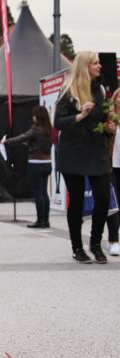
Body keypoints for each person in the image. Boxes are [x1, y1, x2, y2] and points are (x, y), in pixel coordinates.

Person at [53, 52, 112, 264]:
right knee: (76, 201)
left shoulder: (101, 90)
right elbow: (58, 122)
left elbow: (104, 118)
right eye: (95, 63)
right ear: (85, 66)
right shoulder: (68, 90)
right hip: (73, 152)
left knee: (103, 198)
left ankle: (95, 243)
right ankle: (77, 247)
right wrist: (81, 115)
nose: (99, 66)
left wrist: (108, 127)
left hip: (97, 150)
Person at [2, 106, 53, 228]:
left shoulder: (36, 129)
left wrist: (6, 141)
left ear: (37, 116)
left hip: (35, 163)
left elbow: (22, 137)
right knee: (44, 192)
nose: (33, 117)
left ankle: (40, 221)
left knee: (38, 193)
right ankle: (46, 220)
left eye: (34, 115)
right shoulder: (49, 130)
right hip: (47, 163)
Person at [104, 87, 120, 255]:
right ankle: (114, 239)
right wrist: (110, 131)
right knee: (114, 204)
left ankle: (113, 238)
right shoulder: (109, 119)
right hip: (111, 166)